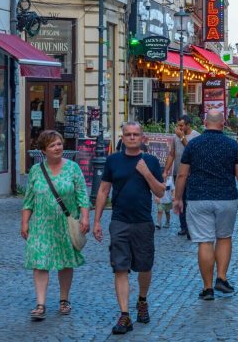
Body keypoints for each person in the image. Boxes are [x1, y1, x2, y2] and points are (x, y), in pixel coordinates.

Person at [92, 122, 165, 335]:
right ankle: (124, 315)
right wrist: (97, 221)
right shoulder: (113, 160)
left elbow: (160, 192)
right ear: (122, 138)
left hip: (143, 221)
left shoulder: (150, 161)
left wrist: (146, 173)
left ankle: (142, 299)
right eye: (128, 134)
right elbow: (104, 190)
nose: (132, 137)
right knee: (120, 267)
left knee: (144, 266)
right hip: (119, 221)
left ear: (142, 138)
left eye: (136, 134)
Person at [173, 109, 238, 300]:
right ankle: (222, 278)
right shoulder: (232, 145)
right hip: (226, 198)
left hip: (198, 198)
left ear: (204, 122)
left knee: (205, 241)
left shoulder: (194, 145)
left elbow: (183, 174)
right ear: (223, 122)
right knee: (224, 237)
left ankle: (207, 288)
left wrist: (177, 198)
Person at [21, 130, 89, 321]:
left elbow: (82, 196)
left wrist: (85, 218)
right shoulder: (36, 171)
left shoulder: (73, 168)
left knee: (65, 262)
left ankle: (64, 299)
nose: (58, 147)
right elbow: (28, 201)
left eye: (59, 143)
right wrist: (25, 222)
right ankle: (40, 304)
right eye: (52, 145)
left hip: (65, 224)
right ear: (44, 150)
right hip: (41, 224)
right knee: (40, 262)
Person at [162, 115, 201, 239]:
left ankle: (191, 228)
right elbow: (172, 154)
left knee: (190, 201)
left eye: (181, 125)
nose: (179, 128)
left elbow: (193, 151)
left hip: (192, 174)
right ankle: (183, 227)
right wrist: (166, 170)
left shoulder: (196, 136)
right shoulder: (175, 137)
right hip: (178, 173)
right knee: (180, 200)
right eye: (178, 125)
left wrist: (182, 137)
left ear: (188, 125)